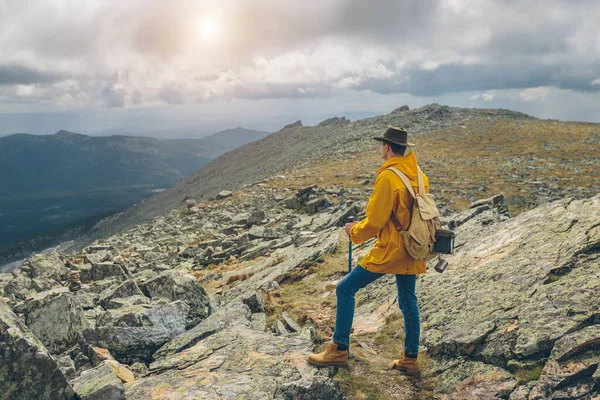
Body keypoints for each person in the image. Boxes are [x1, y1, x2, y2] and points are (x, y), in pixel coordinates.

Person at [307, 126, 429, 378]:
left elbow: (374, 221)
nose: (380, 149)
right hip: (413, 247)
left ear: (386, 146)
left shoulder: (388, 177)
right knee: (408, 301)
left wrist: (353, 231)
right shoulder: (419, 174)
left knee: (345, 288)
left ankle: (339, 350)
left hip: (391, 250)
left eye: (381, 145)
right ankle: (410, 358)